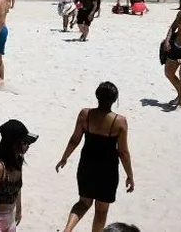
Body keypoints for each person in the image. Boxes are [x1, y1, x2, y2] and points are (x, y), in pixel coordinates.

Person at [57, 82, 135, 232]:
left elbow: (75, 139)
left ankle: (67, 230)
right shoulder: (119, 121)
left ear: (97, 96)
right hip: (108, 169)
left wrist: (64, 158)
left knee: (83, 203)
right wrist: (130, 175)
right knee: (101, 210)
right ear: (114, 99)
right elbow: (123, 152)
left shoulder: (85, 114)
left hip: (87, 164)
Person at [0, 120, 37, 231]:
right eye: (24, 142)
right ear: (13, 143)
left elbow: (18, 188)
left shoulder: (18, 161)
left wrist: (19, 210)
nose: (28, 145)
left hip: (10, 217)